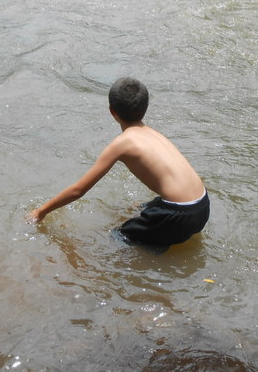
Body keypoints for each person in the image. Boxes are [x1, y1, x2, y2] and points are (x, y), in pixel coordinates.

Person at [30, 77, 209, 246]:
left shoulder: (122, 144)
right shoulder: (154, 134)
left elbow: (78, 190)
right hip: (202, 204)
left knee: (117, 238)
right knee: (140, 209)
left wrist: (40, 212)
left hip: (179, 215)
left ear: (112, 111)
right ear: (146, 107)